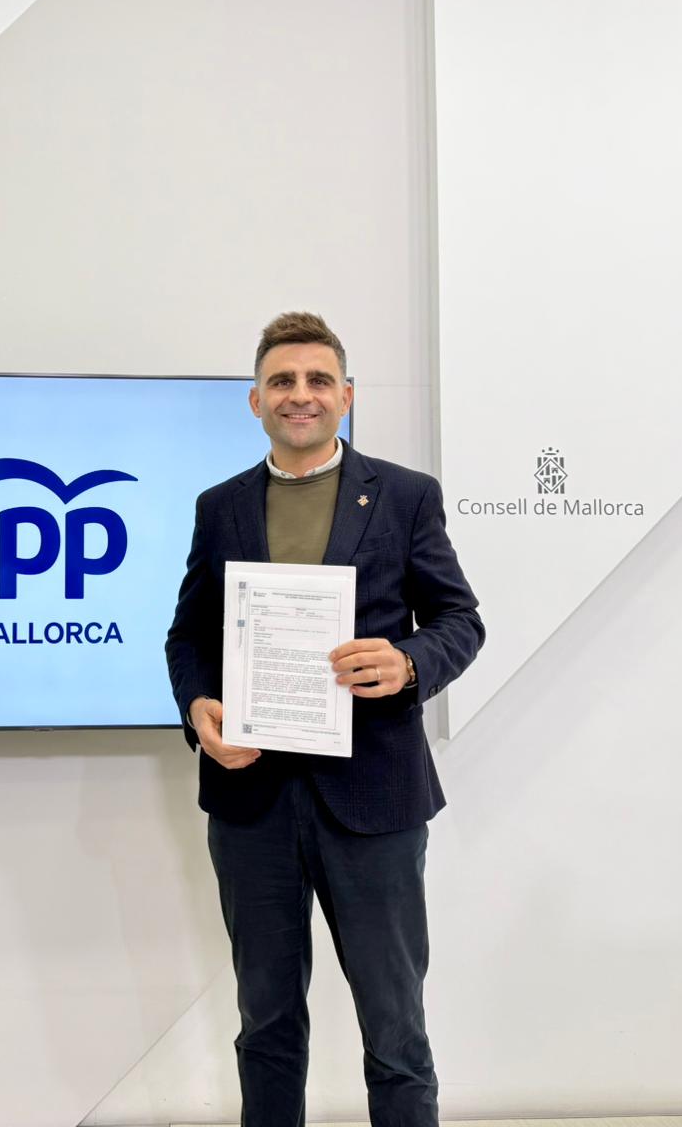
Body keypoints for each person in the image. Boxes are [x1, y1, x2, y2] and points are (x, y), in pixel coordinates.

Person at [165, 312, 483, 1127]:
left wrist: (409, 662)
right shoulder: (220, 506)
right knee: (266, 1022)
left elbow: (459, 620)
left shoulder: (406, 495)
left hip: (374, 797)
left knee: (395, 1025)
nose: (299, 395)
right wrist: (198, 706)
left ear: (346, 396)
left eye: (317, 380)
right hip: (252, 802)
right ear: (255, 401)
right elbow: (189, 636)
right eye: (281, 381)